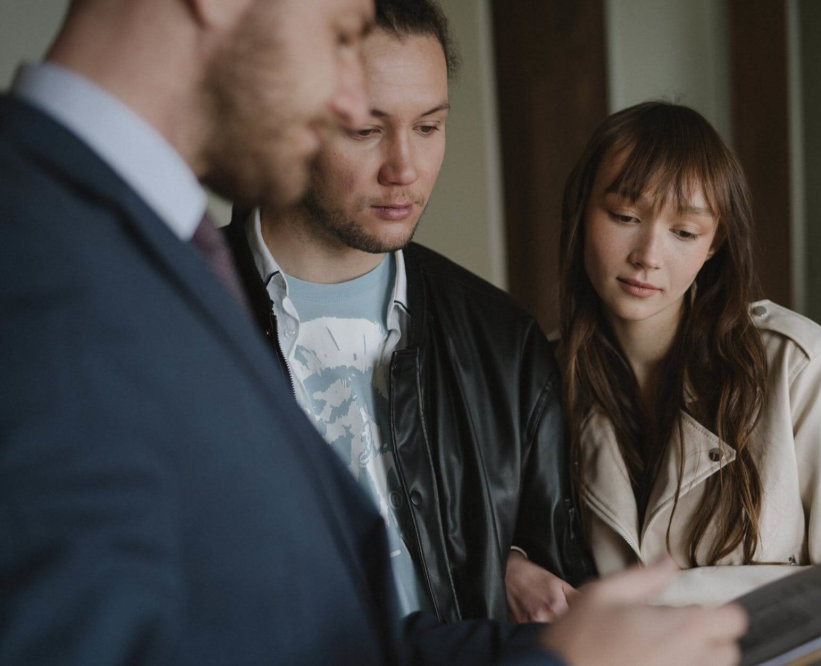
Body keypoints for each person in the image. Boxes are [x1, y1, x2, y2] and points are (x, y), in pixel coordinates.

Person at [0, 1, 747, 664]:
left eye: (429, 123)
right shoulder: (42, 267)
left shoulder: (151, 253)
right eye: (337, 34)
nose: (344, 96)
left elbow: (310, 635)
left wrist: (560, 646)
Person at [224, 0, 591, 623]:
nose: (406, 169)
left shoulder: (504, 344)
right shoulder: (179, 321)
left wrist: (508, 562)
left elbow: (561, 591)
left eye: (428, 126)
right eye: (366, 130)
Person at [558, 101, 821, 605]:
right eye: (625, 215)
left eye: (684, 232)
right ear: (583, 211)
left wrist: (656, 602)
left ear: (714, 243)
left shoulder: (795, 366)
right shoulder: (543, 376)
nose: (648, 256)